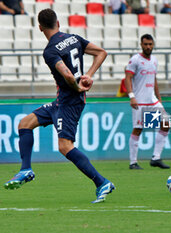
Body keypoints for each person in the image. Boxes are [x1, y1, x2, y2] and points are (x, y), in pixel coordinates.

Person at [3, 9, 115, 204]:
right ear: (58, 23)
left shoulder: (50, 51)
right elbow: (101, 52)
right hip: (60, 102)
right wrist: (88, 75)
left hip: (70, 102)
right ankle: (26, 170)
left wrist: (77, 85)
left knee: (64, 146)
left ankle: (101, 182)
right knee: (25, 123)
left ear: (40, 28)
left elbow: (69, 76)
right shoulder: (73, 38)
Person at [125, 34, 171, 170]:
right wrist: (131, 96)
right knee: (138, 129)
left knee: (166, 124)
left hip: (152, 101)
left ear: (153, 44)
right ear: (141, 44)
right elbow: (127, 78)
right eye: (145, 44)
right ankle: (133, 162)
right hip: (139, 101)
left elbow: (154, 80)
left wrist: (159, 98)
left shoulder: (155, 60)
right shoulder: (135, 60)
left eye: (150, 44)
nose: (148, 47)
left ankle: (156, 158)